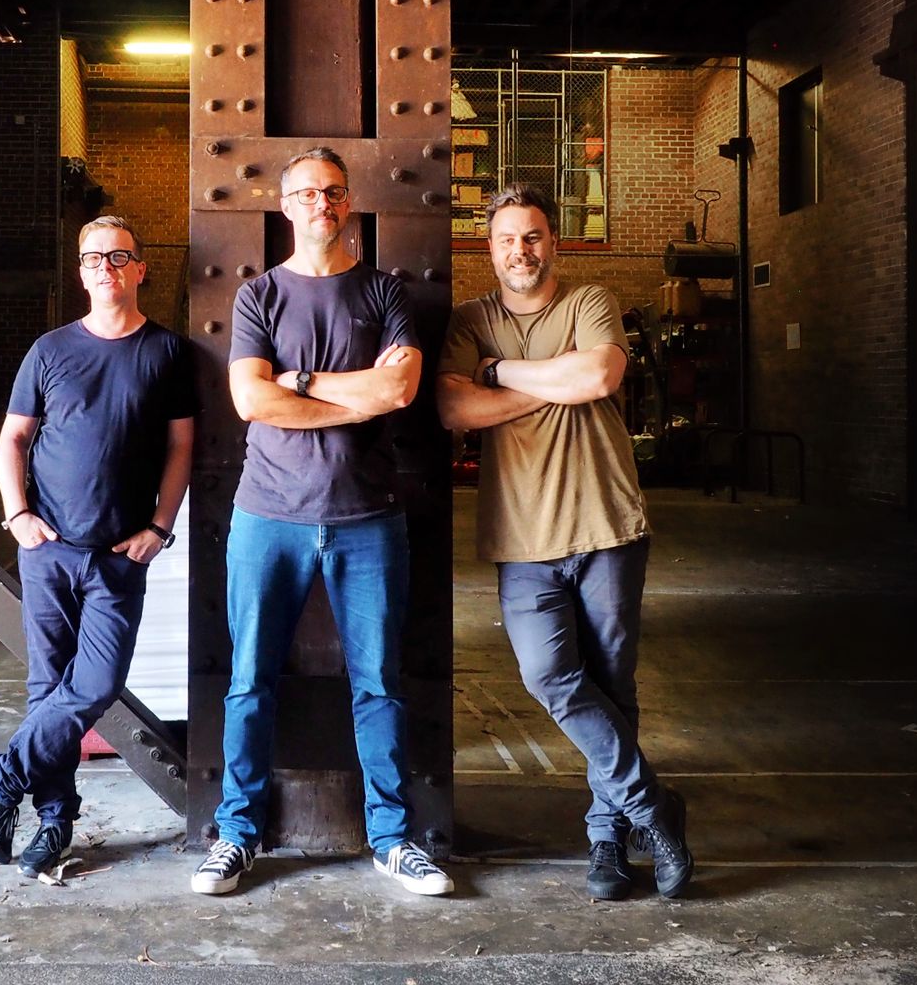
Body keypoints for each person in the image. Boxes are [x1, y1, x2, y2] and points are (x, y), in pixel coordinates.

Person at [190, 147, 453, 898]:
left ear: (347, 202)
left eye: (331, 192)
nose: (319, 204)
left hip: (368, 517)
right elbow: (251, 401)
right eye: (305, 193)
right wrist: (347, 394)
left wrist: (296, 380)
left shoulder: (383, 291)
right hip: (267, 515)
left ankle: (394, 839)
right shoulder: (259, 296)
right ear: (284, 204)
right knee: (248, 681)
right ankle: (237, 835)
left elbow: (400, 389)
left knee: (379, 686)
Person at [437, 184, 693, 900]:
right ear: (489, 249)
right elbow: (454, 406)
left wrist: (500, 375)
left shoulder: (590, 301)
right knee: (550, 676)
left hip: (607, 524)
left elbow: (600, 373)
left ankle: (606, 839)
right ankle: (653, 808)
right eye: (507, 238)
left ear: (554, 242)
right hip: (523, 540)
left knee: (612, 686)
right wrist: (554, 383)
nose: (521, 249)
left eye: (534, 236)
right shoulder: (468, 318)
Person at [0, 216, 198, 880]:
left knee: (95, 683)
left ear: (140, 268)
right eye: (93, 257)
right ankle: (54, 825)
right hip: (48, 549)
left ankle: (1, 777)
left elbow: (181, 446)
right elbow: (13, 439)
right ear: (81, 270)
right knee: (49, 692)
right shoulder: (49, 351)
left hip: (120, 556)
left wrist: (159, 526)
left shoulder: (167, 353)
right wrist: (17, 514)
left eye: (119, 255)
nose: (105, 266)